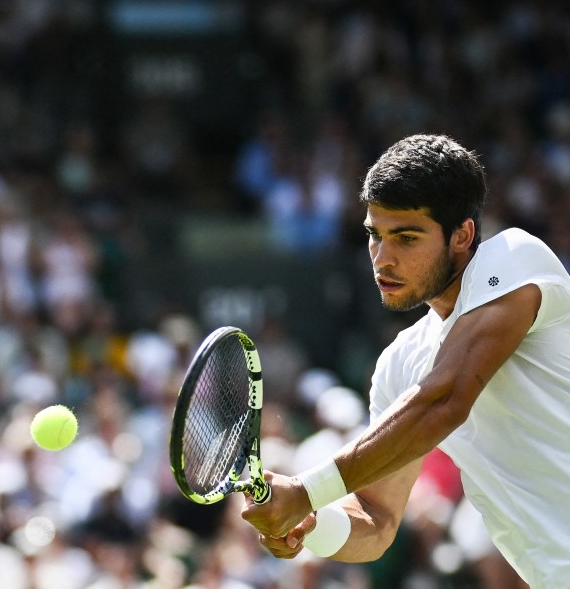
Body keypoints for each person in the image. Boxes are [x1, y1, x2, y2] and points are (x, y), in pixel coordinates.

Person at [241, 134, 570, 586]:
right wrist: (312, 523)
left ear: (463, 235)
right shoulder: (399, 365)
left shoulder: (516, 259)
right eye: (375, 235)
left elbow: (446, 399)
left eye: (406, 237)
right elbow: (376, 521)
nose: (383, 257)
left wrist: (304, 491)